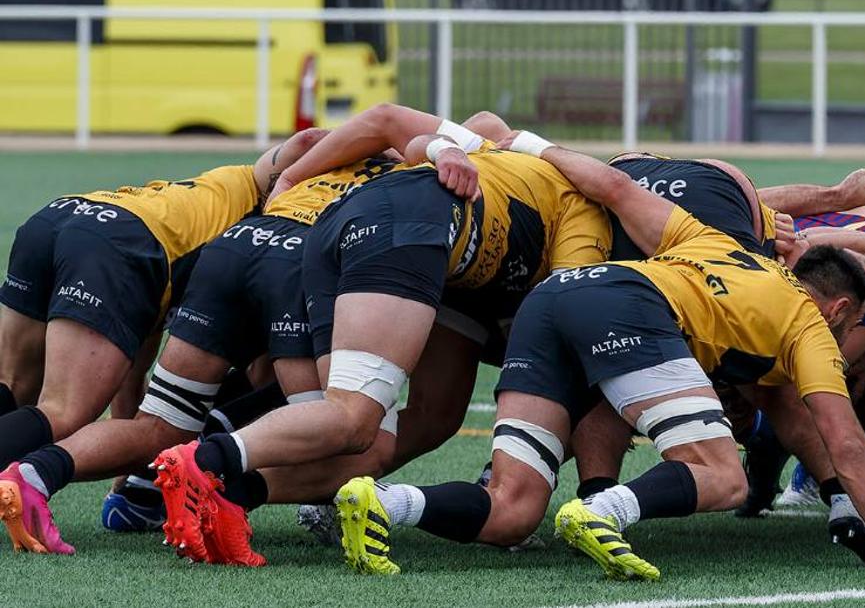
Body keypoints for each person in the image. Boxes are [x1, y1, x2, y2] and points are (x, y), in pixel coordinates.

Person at [330, 135, 865, 579]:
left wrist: (527, 143)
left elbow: (614, 186)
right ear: (837, 309)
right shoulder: (811, 325)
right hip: (627, 305)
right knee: (722, 474)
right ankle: (604, 509)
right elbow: (845, 439)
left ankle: (383, 503)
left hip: (551, 298)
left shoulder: (714, 239)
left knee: (513, 511)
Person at [147, 115, 613, 566]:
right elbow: (561, 311)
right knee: (351, 416)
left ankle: (232, 495)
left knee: (385, 436)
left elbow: (420, 141)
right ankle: (204, 461)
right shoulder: (587, 207)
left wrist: (439, 148)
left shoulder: (506, 158)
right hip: (412, 228)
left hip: (352, 223)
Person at [0, 130, 330, 554]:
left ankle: (133, 486)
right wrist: (404, 144)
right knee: (63, 413)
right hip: (119, 244)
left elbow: (136, 349)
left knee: (14, 390)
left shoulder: (228, 188)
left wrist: (130, 466)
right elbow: (308, 142)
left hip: (63, 218)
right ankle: (32, 479)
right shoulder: (271, 205)